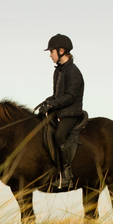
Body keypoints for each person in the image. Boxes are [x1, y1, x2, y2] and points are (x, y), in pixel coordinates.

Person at [35, 33, 84, 190]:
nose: (50, 55)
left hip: (71, 113)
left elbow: (70, 96)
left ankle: (67, 176)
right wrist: (47, 102)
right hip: (61, 111)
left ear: (61, 51)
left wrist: (51, 105)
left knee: (59, 136)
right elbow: (57, 95)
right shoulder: (59, 71)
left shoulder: (73, 72)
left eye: (51, 51)